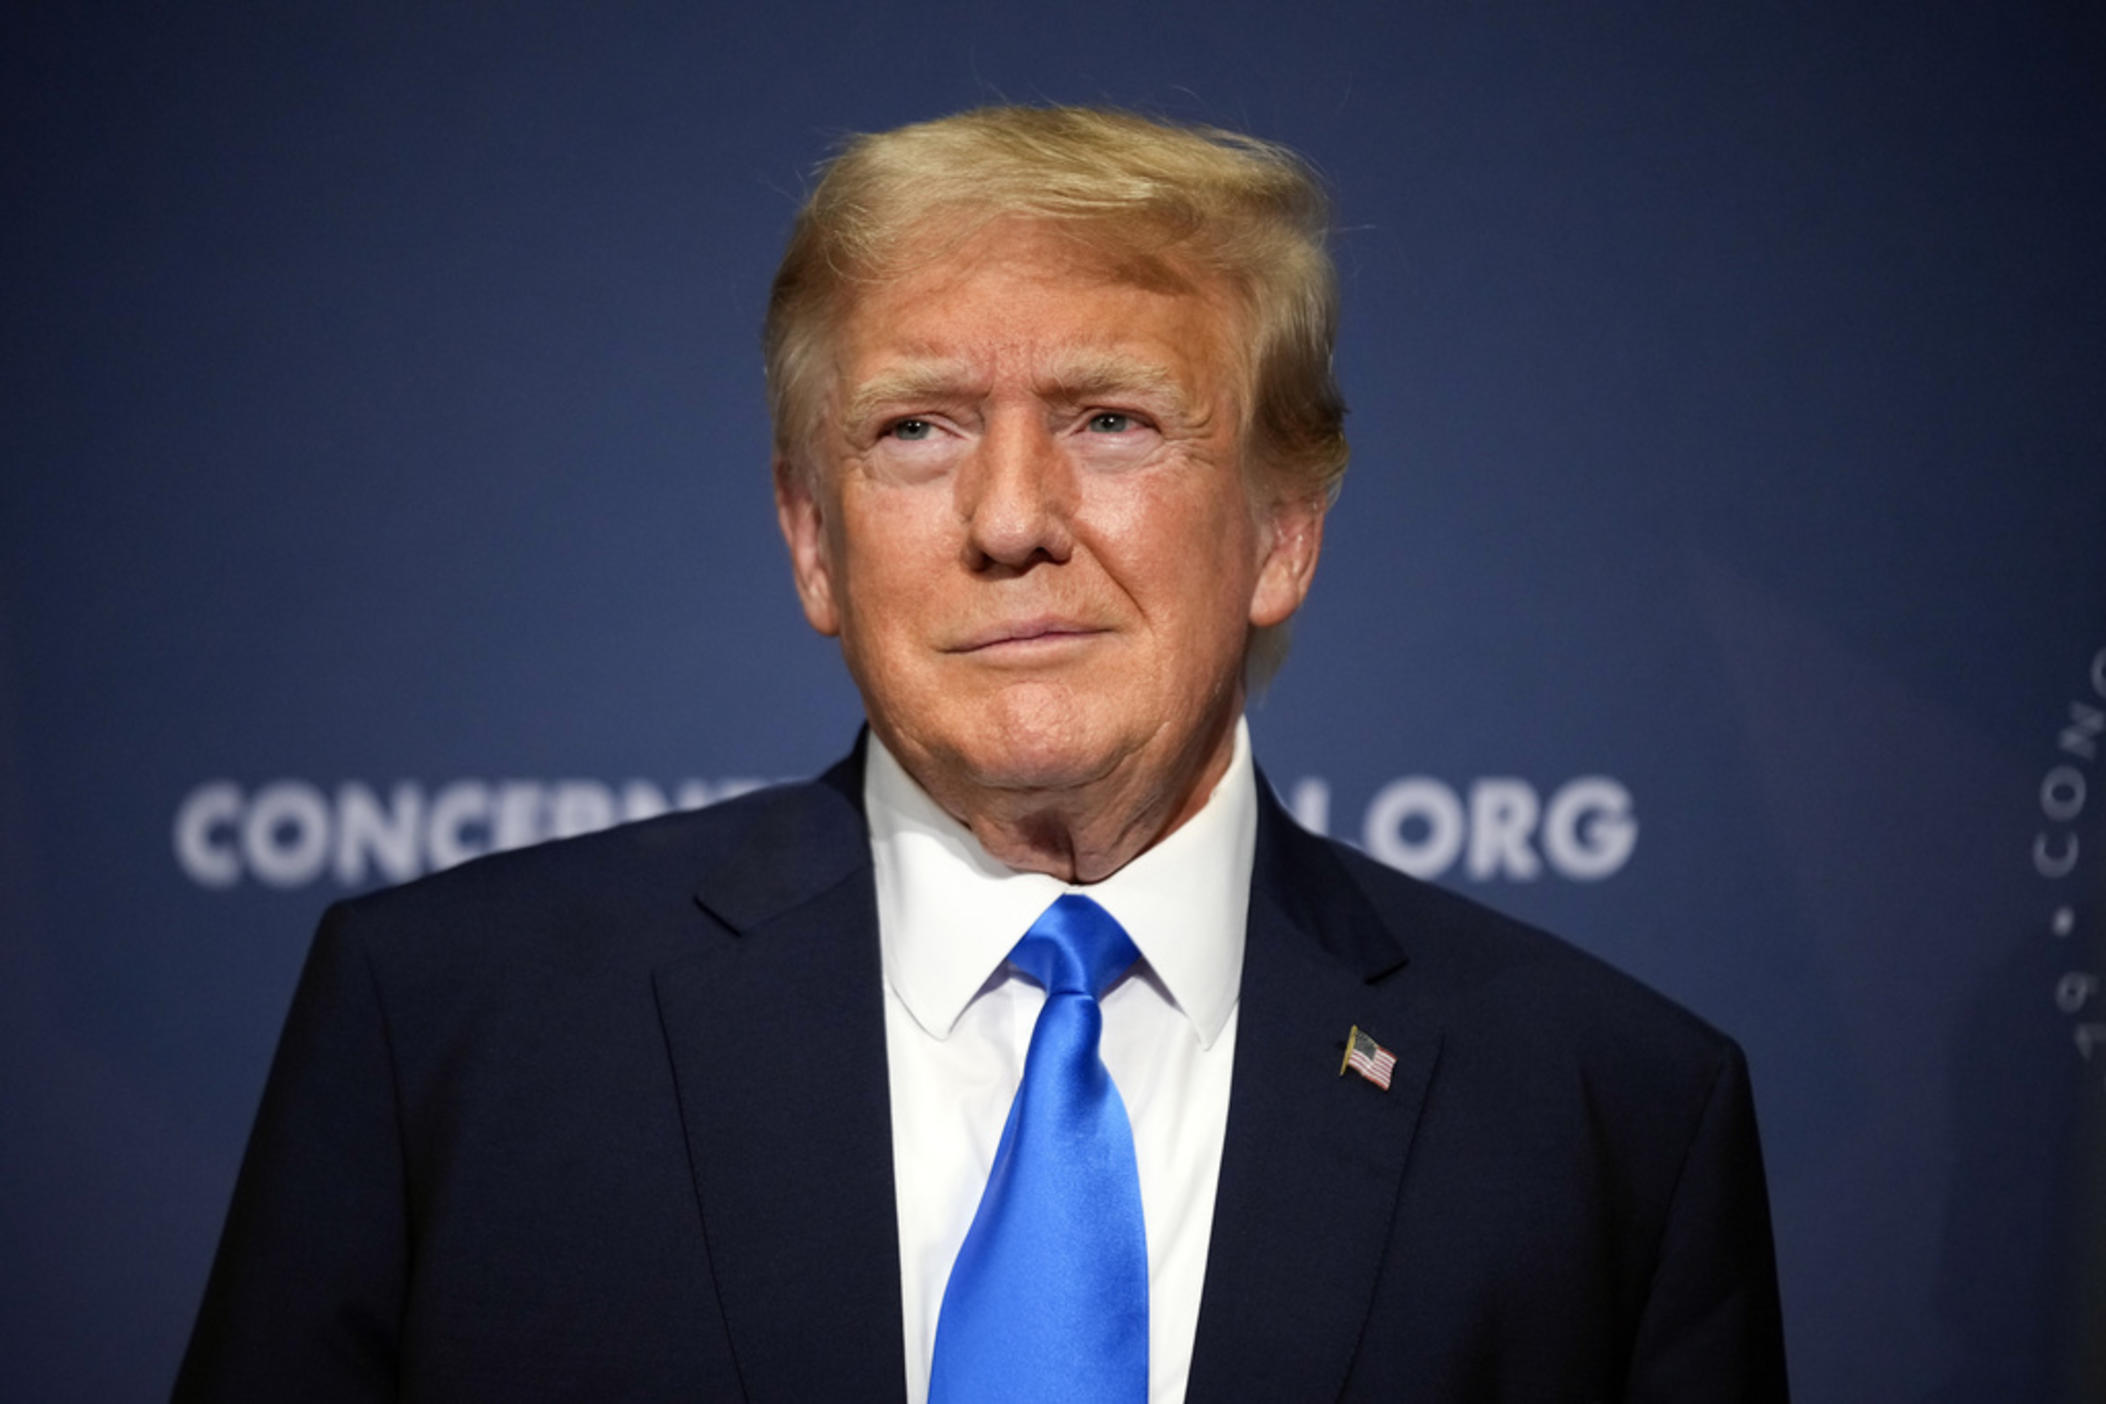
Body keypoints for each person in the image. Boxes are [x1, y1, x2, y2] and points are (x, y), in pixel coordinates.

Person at [175, 106, 1788, 1402]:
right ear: (813, 542)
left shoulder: (1607, 1117)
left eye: (1110, 420)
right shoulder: (450, 1031)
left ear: (1282, 530)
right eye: (916, 429)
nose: (1011, 520)